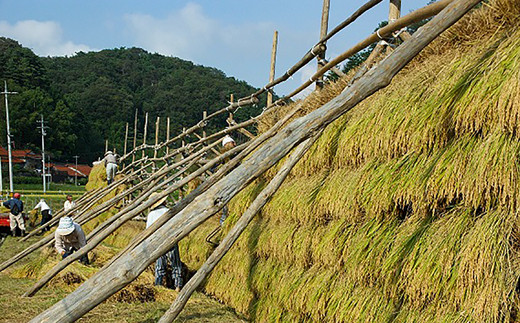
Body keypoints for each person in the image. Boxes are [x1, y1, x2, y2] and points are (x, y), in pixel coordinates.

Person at [146, 193, 183, 291]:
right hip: (170, 239)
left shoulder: (151, 215)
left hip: (158, 241)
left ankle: (158, 285)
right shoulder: (168, 211)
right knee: (175, 263)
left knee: (160, 264)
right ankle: (178, 286)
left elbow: (148, 230)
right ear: (164, 202)